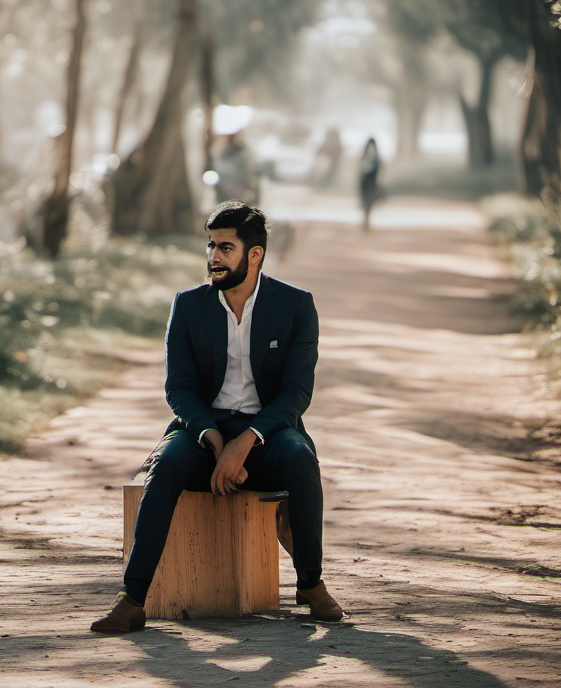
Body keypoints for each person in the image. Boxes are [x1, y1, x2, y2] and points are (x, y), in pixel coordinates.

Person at [91, 201, 343, 633]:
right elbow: (180, 389)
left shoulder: (296, 306)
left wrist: (246, 441)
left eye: (225, 247)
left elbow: (296, 393)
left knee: (301, 459)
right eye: (210, 246)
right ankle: (132, 599)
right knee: (165, 466)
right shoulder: (188, 306)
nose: (213, 257)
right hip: (203, 432)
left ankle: (310, 584)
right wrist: (215, 441)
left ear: (255, 254)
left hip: (267, 433)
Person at [358, 137, 381, 229]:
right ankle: (365, 221)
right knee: (364, 202)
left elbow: (377, 170)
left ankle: (367, 221)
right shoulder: (365, 156)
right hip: (364, 182)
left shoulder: (376, 158)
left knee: (369, 202)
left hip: (372, 182)